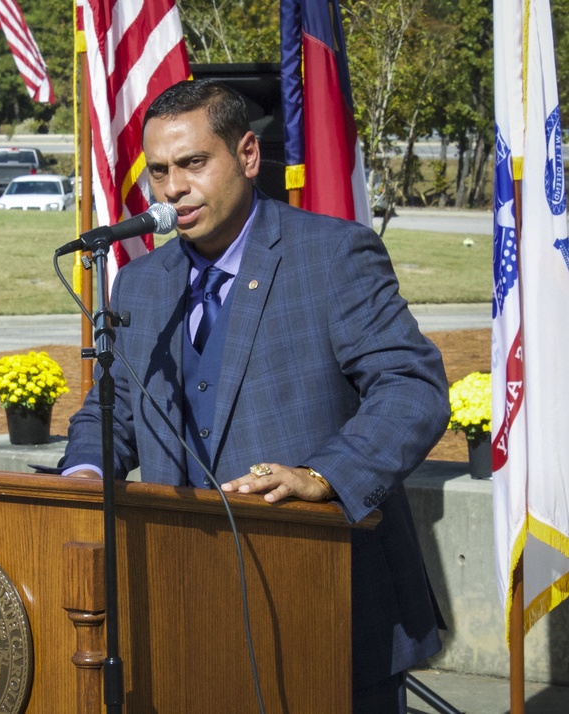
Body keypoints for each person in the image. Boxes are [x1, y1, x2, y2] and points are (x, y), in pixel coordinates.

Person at [59, 78, 448, 711]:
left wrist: (326, 474)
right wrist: (83, 472)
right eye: (159, 171)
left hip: (325, 604)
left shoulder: (333, 255)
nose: (173, 189)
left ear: (245, 156)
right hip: (182, 609)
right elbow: (115, 408)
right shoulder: (141, 284)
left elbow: (413, 388)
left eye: (192, 163)